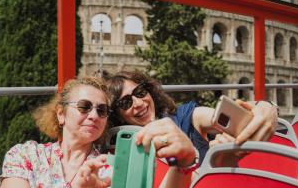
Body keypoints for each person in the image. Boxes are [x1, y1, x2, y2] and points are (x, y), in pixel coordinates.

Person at [0, 76, 197, 188]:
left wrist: (182, 164)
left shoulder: (114, 165)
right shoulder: (26, 155)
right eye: (84, 107)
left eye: (102, 111)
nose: (94, 115)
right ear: (61, 114)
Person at [107, 70, 278, 164]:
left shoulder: (184, 117)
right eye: (125, 103)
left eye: (140, 92)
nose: (138, 103)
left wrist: (265, 108)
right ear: (119, 116)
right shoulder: (118, 151)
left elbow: (215, 116)